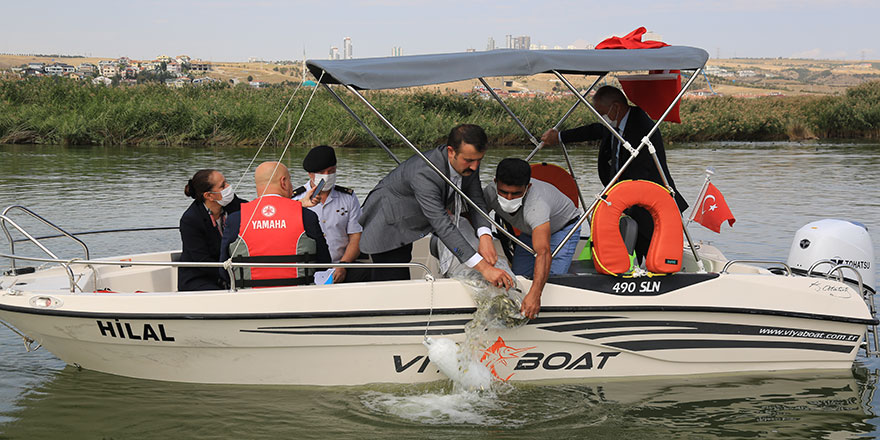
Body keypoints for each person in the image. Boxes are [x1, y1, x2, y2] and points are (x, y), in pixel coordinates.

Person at [540, 85, 688, 262]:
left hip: (650, 204)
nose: (601, 118)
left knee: (649, 250)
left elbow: (641, 170)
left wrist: (617, 200)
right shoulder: (616, 122)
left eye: (601, 112)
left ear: (616, 107)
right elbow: (594, 130)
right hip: (626, 202)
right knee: (630, 247)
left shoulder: (640, 126)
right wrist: (560, 137)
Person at [358, 124, 513, 289]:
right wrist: (484, 268)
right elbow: (442, 225)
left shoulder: (469, 161)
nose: (474, 167)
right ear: (451, 151)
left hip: (414, 221)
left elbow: (475, 199)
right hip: (388, 225)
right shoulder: (424, 173)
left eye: (479, 160)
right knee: (394, 287)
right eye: (469, 160)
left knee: (402, 274)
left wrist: (485, 236)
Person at [483, 158, 581, 319]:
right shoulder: (490, 192)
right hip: (529, 231)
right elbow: (476, 220)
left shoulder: (537, 206)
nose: (508, 198)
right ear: (495, 183)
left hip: (562, 228)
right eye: (503, 192)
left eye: (516, 194)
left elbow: (543, 252)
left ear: (527, 187)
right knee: (519, 280)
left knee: (551, 284)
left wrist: (536, 295)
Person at [220, 162, 330, 287]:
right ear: (283, 182)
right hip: (299, 297)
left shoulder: (235, 219)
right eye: (290, 180)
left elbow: (223, 269)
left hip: (249, 298)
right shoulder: (307, 216)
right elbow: (324, 262)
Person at [292, 145, 368, 283]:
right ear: (310, 173)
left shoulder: (348, 197)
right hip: (308, 267)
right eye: (322, 172)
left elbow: (356, 236)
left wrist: (342, 265)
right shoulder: (295, 199)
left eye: (331, 171)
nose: (327, 176)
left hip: (341, 264)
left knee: (365, 273)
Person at [178, 169, 246, 291]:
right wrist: (229, 276)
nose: (228, 187)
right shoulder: (190, 220)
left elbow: (254, 211)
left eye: (226, 182)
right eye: (223, 185)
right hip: (200, 277)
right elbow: (202, 261)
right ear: (209, 195)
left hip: (233, 271)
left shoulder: (236, 205)